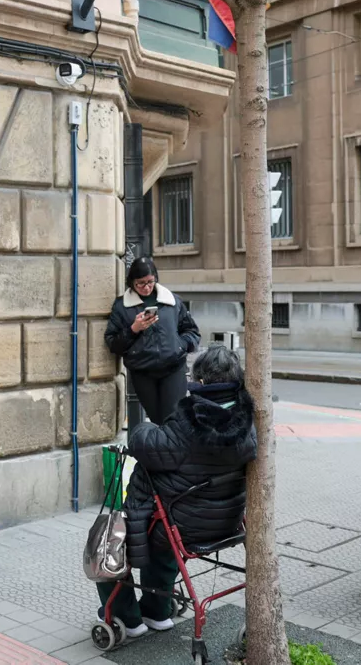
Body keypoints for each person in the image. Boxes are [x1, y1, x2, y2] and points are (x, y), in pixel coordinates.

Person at [96, 345, 256, 636]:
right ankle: (157, 611)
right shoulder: (249, 420)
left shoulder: (189, 423)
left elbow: (143, 444)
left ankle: (128, 619)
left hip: (183, 525)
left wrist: (145, 427)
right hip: (226, 522)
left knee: (108, 544)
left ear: (202, 383)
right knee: (165, 532)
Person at [105, 257, 200, 425]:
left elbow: (192, 332)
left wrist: (179, 345)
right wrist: (134, 329)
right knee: (157, 419)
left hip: (173, 367)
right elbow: (113, 343)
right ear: (131, 282)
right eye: (140, 283)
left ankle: (174, 451)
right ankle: (164, 450)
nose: (146, 287)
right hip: (143, 371)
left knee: (174, 418)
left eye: (150, 282)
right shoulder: (121, 306)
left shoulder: (172, 301)